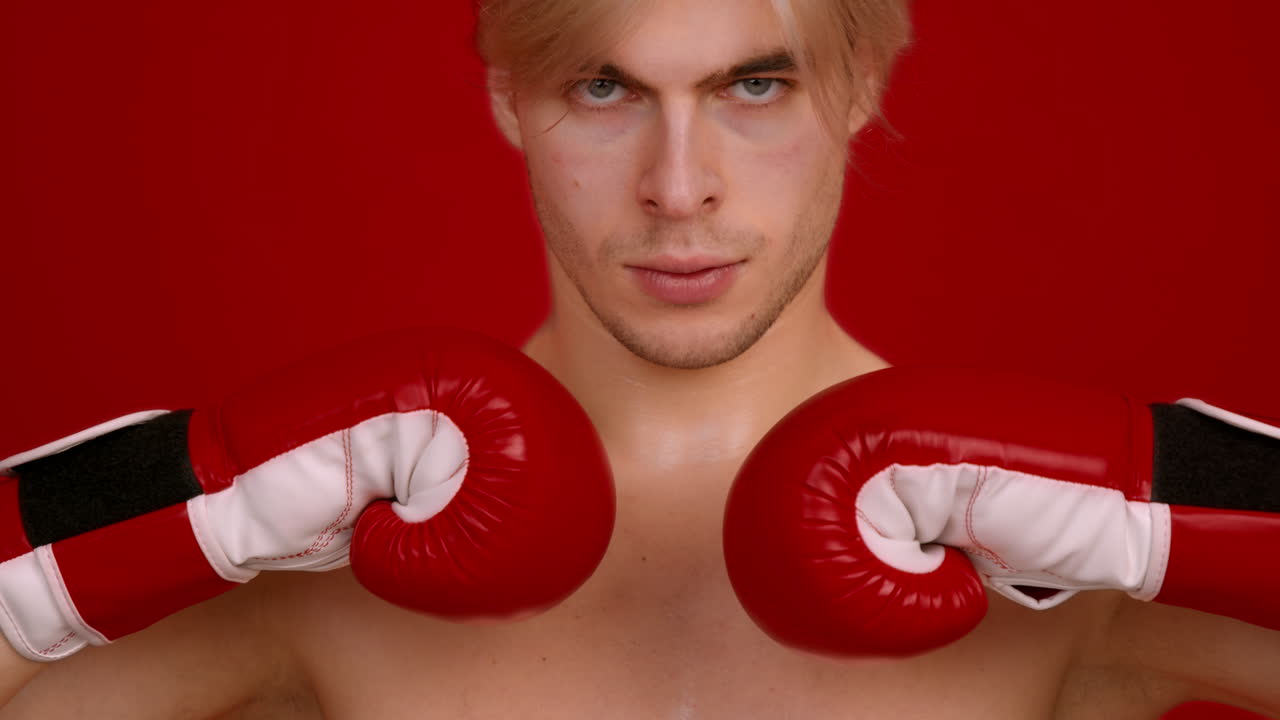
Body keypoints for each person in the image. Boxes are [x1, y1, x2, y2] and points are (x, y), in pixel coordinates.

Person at [2, 0, 1278, 717]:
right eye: (604, 91)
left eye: (754, 87)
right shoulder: (310, 550)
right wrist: (192, 491)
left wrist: (1175, 495)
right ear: (508, 99)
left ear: (859, 88)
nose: (679, 188)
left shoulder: (1072, 561)